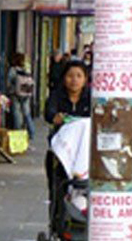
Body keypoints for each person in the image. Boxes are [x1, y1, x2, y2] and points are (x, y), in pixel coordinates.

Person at [44, 60, 92, 202]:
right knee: (58, 191)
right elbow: (49, 113)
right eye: (70, 76)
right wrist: (55, 117)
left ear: (85, 79)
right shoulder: (57, 95)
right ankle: (57, 221)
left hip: (84, 152)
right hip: (60, 152)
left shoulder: (90, 97)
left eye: (79, 76)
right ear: (64, 78)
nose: (74, 80)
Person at [6, 53, 35, 140]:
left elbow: (8, 82)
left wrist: (9, 90)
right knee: (27, 114)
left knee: (17, 114)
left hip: (15, 94)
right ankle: (32, 132)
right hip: (26, 94)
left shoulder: (13, 70)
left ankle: (18, 133)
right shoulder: (26, 69)